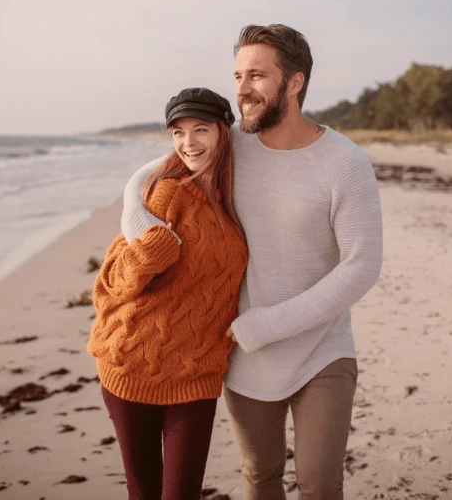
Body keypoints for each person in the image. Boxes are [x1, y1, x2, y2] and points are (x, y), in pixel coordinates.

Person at [120, 25, 383, 500]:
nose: (241, 89)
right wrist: (144, 232)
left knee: (320, 484)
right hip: (243, 354)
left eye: (257, 75)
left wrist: (267, 324)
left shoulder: (344, 162)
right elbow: (145, 178)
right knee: (260, 475)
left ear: (295, 82)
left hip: (321, 349)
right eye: (238, 75)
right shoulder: (233, 144)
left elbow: (361, 265)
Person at [87, 87, 248, 500]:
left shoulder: (237, 193)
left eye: (200, 129)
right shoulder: (166, 191)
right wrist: (149, 252)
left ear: (223, 132)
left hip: (197, 372)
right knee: (144, 492)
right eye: (178, 132)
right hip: (132, 363)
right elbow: (109, 286)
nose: (188, 142)